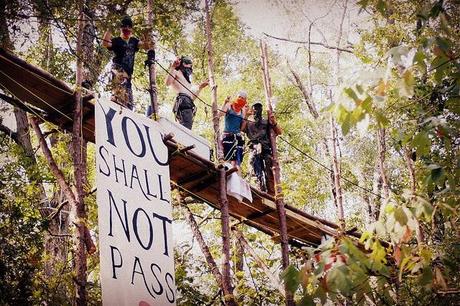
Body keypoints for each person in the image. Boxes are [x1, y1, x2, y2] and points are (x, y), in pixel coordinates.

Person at [102, 16, 150, 109]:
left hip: (128, 74)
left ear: (131, 29)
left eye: (129, 27)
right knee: (119, 93)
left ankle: (124, 108)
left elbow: (146, 46)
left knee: (128, 102)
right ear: (121, 28)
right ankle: (114, 102)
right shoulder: (117, 40)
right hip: (118, 69)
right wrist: (110, 29)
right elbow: (105, 43)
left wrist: (145, 33)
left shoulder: (134, 41)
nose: (127, 29)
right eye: (124, 26)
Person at [241, 102, 281, 195]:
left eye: (259, 108)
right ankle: (260, 191)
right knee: (256, 170)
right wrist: (246, 116)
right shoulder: (249, 122)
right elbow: (241, 129)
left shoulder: (266, 122)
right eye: (255, 108)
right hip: (254, 148)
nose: (257, 111)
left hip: (266, 149)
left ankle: (271, 193)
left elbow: (279, 131)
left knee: (269, 171)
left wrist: (273, 122)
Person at [165, 56, 209, 129]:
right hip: (182, 101)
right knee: (186, 127)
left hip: (188, 103)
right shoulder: (176, 72)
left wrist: (200, 87)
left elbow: (192, 98)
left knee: (187, 126)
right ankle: (181, 139)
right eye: (188, 64)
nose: (190, 68)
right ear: (183, 64)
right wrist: (173, 67)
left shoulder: (188, 83)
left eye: (191, 66)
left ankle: (181, 138)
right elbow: (167, 83)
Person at [220, 92, 248, 171]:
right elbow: (220, 114)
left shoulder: (243, 110)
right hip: (227, 136)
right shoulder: (230, 106)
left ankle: (237, 178)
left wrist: (246, 117)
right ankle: (226, 174)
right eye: (239, 97)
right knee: (227, 159)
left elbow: (241, 128)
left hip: (237, 137)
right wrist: (225, 103)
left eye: (242, 98)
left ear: (245, 100)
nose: (240, 99)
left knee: (236, 162)